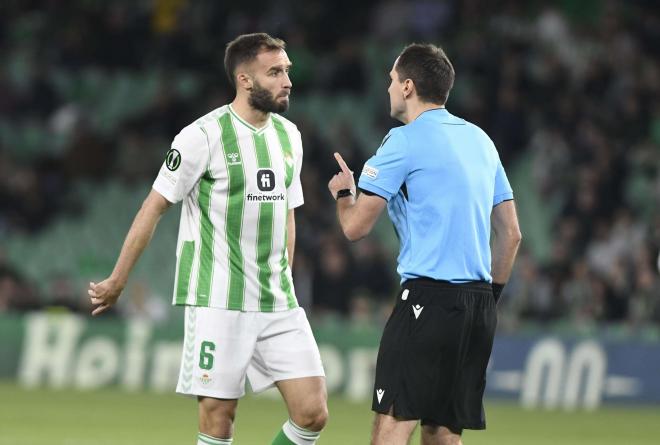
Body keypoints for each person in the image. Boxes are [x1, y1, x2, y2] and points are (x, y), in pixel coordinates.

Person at [89, 33, 328, 445]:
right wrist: (118, 280)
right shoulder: (201, 136)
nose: (287, 81)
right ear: (245, 80)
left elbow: (288, 214)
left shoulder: (290, 136)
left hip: (277, 300)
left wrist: (285, 275)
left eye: (287, 70)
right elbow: (153, 207)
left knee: (312, 413)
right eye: (274, 72)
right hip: (219, 299)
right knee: (219, 419)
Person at [328, 43, 521, 445]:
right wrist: (490, 297)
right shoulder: (482, 141)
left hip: (427, 300)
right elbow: (511, 234)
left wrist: (344, 194)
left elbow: (355, 229)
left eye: (392, 80)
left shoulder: (403, 140)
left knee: (391, 429)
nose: (388, 89)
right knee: (443, 434)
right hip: (478, 307)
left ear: (409, 87)